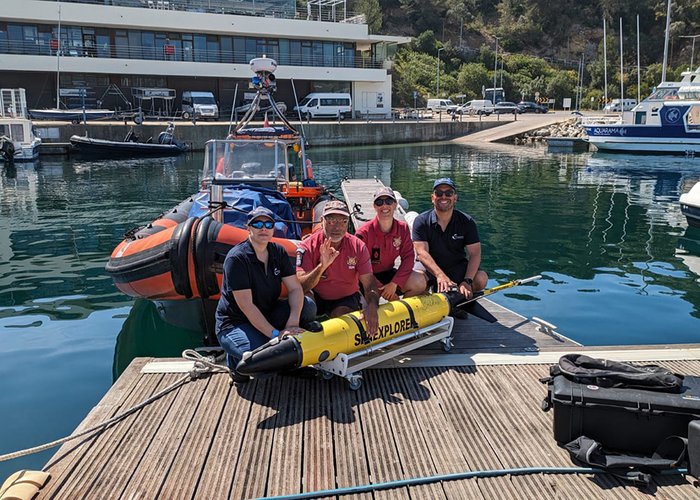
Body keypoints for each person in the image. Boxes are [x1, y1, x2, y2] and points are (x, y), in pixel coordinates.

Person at [215, 206, 316, 383]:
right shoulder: (237, 259)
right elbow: (246, 306)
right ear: (248, 227)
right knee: (262, 361)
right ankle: (234, 363)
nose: (264, 228)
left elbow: (294, 288)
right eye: (257, 223)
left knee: (307, 307)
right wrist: (276, 334)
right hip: (236, 322)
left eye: (269, 224)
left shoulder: (278, 252)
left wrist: (292, 323)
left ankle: (288, 361)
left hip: (267, 313)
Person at [296, 200, 379, 336]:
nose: (337, 227)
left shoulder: (358, 246)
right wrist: (322, 266)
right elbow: (301, 286)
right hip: (317, 295)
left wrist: (372, 306)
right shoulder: (307, 246)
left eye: (343, 221)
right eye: (331, 221)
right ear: (321, 221)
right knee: (306, 305)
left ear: (348, 223)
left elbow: (369, 283)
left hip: (345, 297)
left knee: (341, 316)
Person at [412, 177, 488, 311]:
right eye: (439, 193)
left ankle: (461, 301)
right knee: (415, 282)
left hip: (455, 265)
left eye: (448, 193)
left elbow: (475, 254)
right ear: (432, 197)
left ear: (455, 198)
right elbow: (422, 253)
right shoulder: (421, 221)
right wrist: (439, 275)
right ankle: (425, 302)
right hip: (429, 267)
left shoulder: (467, 222)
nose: (444, 196)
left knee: (481, 278)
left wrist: (467, 281)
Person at [355, 186, 427, 301]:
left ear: (394, 205)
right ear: (374, 206)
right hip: (367, 277)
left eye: (388, 201)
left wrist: (394, 283)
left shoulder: (402, 228)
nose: (384, 206)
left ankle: (403, 310)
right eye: (379, 202)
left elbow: (408, 257)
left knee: (419, 281)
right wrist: (382, 290)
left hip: (388, 273)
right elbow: (357, 267)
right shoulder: (363, 233)